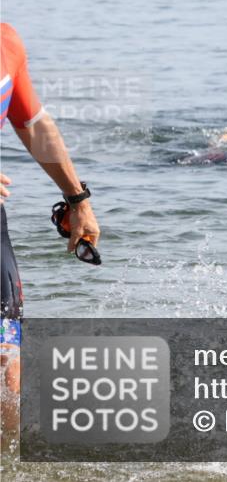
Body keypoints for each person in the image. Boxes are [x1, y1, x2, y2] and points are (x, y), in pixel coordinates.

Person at [1, 22, 101, 436]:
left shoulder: (6, 43)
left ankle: (12, 462)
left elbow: (34, 124)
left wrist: (78, 200)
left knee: (6, 359)